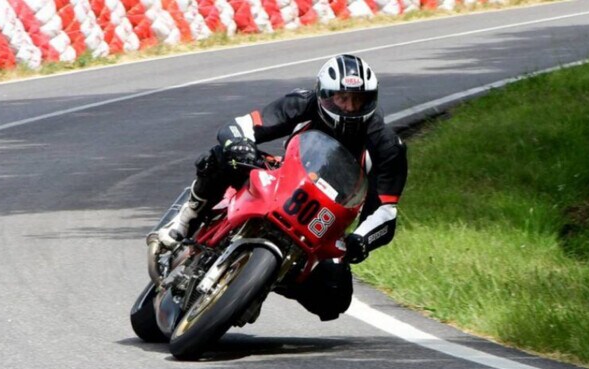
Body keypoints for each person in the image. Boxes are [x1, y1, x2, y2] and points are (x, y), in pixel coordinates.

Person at [157, 54, 408, 321]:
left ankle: (259, 284)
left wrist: (361, 240)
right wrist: (239, 144)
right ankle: (187, 218)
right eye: (341, 98)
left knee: (335, 297)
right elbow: (239, 126)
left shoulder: (387, 145)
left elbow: (385, 212)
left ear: (371, 100)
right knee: (222, 156)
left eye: (357, 100)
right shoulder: (302, 103)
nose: (348, 108)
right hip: (283, 181)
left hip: (325, 222)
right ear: (324, 95)